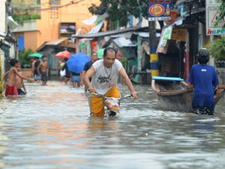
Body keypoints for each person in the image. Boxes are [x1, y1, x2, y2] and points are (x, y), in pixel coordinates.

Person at [83, 47, 138, 117]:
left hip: (110, 90)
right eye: (108, 58)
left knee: (115, 108)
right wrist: (90, 87)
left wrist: (133, 91)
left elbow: (125, 77)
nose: (110, 61)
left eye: (113, 59)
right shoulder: (97, 65)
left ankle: (112, 111)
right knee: (96, 119)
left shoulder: (117, 64)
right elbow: (86, 77)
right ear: (103, 57)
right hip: (95, 93)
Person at [188, 48, 219, 115]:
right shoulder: (212, 68)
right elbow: (216, 84)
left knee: (198, 118)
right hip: (209, 100)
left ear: (198, 58)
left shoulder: (194, 67)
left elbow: (191, 84)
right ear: (208, 59)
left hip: (198, 99)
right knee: (209, 119)